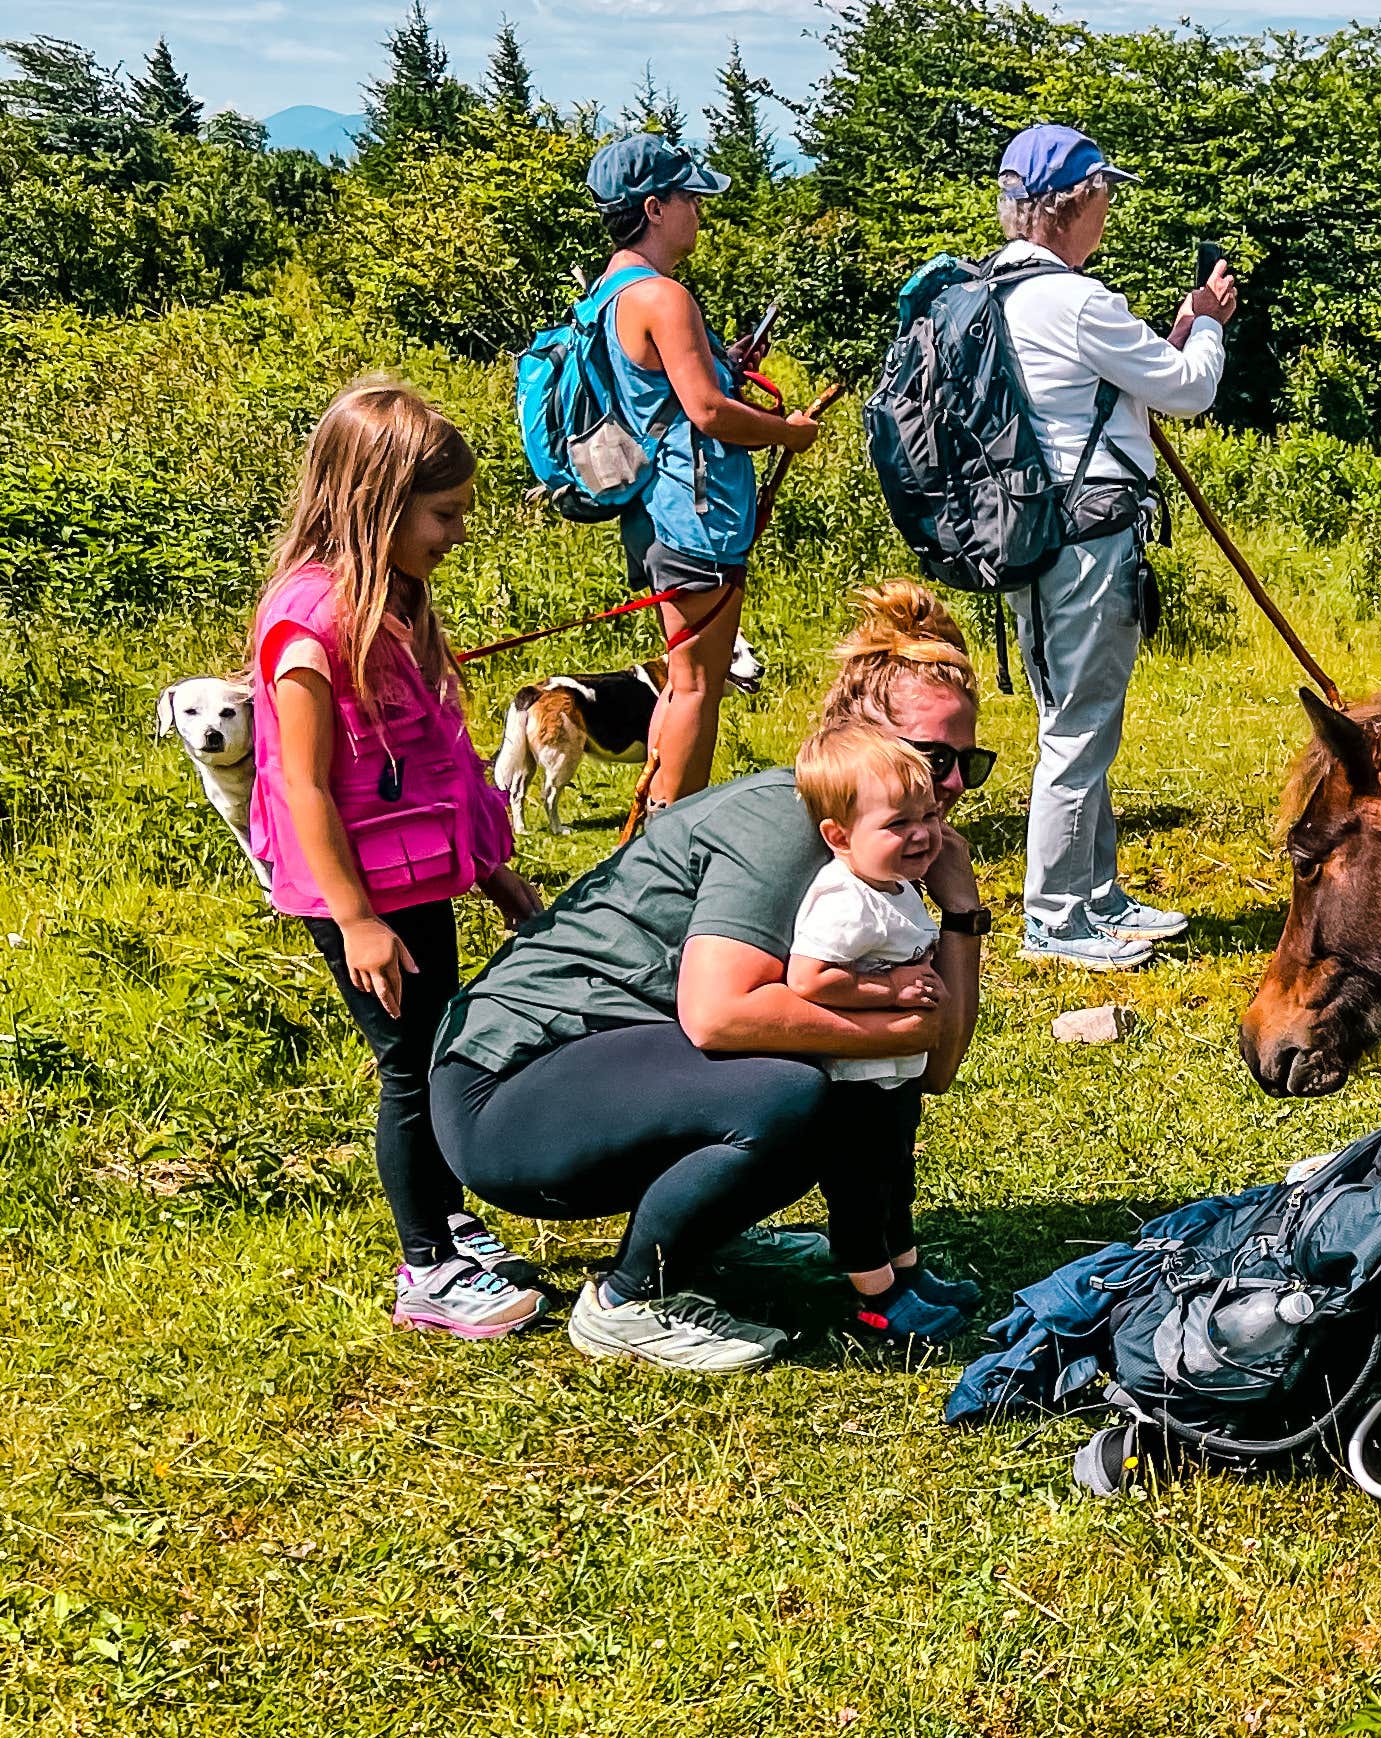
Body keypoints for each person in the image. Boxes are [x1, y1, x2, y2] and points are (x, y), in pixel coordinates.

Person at [428, 584, 997, 1371]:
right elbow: (719, 1018)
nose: (957, 784)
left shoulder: (886, 848)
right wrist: (895, 1025)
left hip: (619, 1074)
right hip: (510, 1094)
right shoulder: (790, 823)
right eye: (937, 759)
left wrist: (963, 916)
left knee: (857, 1078)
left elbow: (931, 1067)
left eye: (971, 761)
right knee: (797, 1089)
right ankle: (627, 1301)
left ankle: (804, 1254)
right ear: (859, 743)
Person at [248, 380, 546, 1338]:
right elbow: (306, 789)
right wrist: (355, 919)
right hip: (361, 895)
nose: (458, 532)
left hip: (418, 876)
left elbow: (437, 764)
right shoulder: (309, 626)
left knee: (441, 1042)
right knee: (410, 1065)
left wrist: (490, 868)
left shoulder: (399, 600)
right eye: (444, 513)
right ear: (379, 501)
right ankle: (425, 1266)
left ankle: (451, 1219)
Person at [987, 123, 1237, 971]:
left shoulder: (993, 293)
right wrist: (1203, 322)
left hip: (1027, 527)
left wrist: (1167, 337)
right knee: (1080, 723)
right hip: (1091, 532)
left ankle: (1097, 893)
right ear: (1074, 203)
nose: (1109, 212)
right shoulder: (1076, 301)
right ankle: (1056, 917)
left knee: (1076, 712)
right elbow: (1190, 392)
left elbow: (1107, 395)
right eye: (1104, 196)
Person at [585, 130, 823, 818]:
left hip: (657, 510)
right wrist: (789, 433)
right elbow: (709, 412)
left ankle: (650, 820)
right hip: (696, 512)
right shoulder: (662, 296)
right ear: (653, 207)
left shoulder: (611, 290)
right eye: (688, 197)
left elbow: (663, 393)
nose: (698, 211)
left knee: (685, 678)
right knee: (697, 683)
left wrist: (728, 360)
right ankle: (669, 837)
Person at [780, 728, 968, 1343]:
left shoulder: (893, 885)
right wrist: (891, 991)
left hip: (894, 1072)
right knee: (861, 1188)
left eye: (928, 816)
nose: (921, 834)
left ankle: (906, 1272)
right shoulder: (844, 899)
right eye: (897, 824)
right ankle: (876, 1300)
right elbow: (810, 978)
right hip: (854, 1081)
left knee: (896, 1173)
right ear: (839, 837)